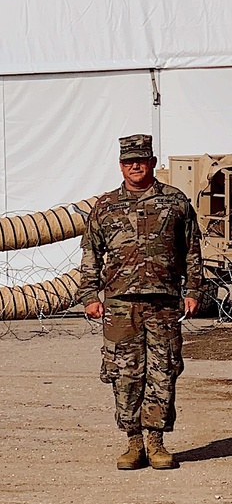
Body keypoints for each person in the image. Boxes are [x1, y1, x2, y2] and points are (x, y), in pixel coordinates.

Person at [78, 133, 203, 470]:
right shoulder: (105, 206)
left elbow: (192, 249)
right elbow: (90, 252)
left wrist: (193, 290)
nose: (135, 166)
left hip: (163, 303)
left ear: (152, 162)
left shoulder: (175, 201)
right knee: (125, 373)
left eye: (141, 159)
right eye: (128, 161)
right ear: (121, 165)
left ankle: (156, 442)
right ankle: (133, 442)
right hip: (120, 306)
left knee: (163, 371)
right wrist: (89, 294)